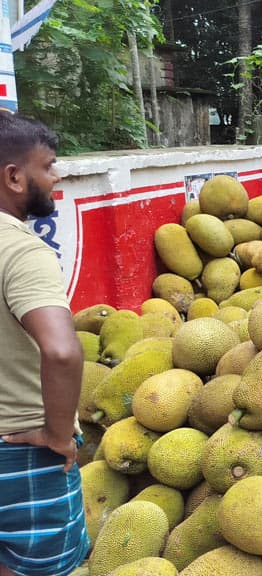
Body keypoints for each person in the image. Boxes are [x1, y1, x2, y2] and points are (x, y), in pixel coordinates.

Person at [0, 114, 90, 576]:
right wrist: (57, 436)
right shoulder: (20, 249)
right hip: (21, 453)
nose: (58, 176)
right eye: (49, 166)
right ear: (15, 177)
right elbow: (61, 350)